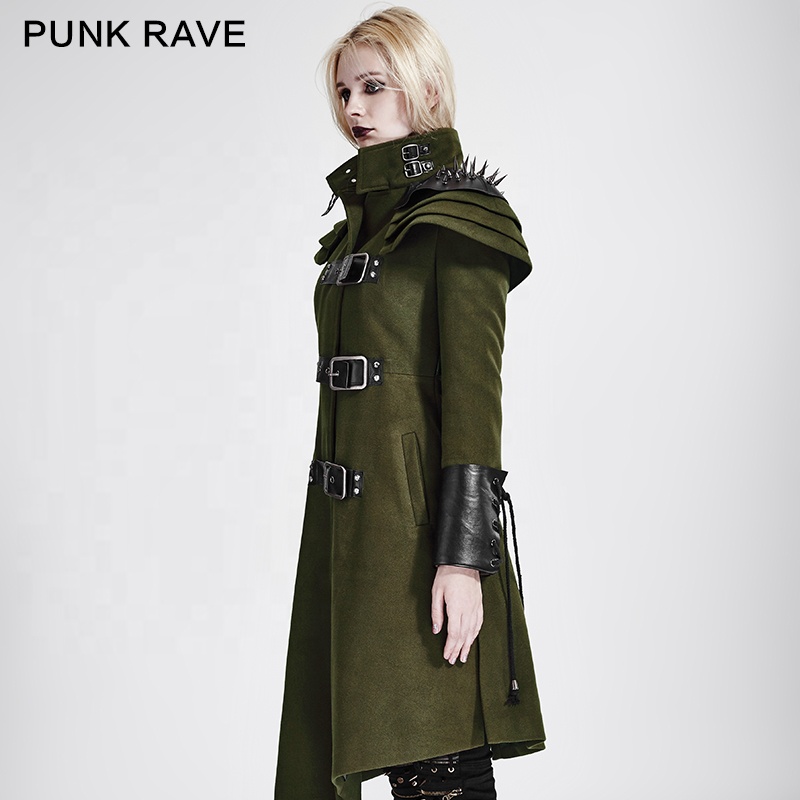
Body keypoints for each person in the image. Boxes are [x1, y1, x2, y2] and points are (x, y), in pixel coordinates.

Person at [275, 8, 545, 800]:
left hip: (423, 537)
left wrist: (464, 559)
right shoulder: (360, 234)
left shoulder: (459, 222)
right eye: (343, 92)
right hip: (348, 536)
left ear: (423, 87)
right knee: (377, 748)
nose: (353, 108)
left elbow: (474, 401)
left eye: (373, 87)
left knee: (437, 756)